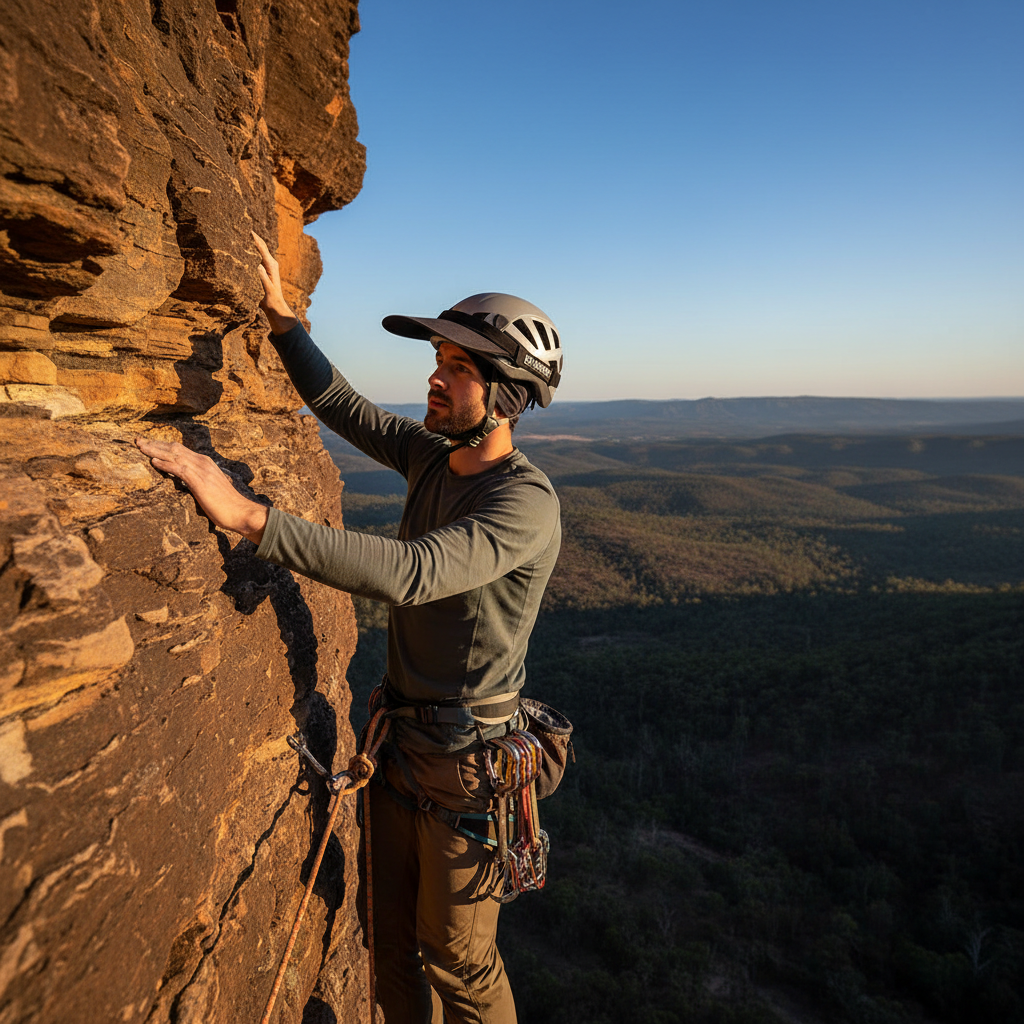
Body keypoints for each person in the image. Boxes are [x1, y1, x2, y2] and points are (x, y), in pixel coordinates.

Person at [136, 233, 563, 1024]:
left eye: (458, 368)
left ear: (506, 396)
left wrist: (247, 515)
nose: (434, 377)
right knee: (392, 941)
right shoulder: (433, 457)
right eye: (439, 358)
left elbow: (412, 572)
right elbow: (341, 407)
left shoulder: (525, 504)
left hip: (470, 761)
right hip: (403, 738)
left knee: (459, 959)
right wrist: (282, 320)